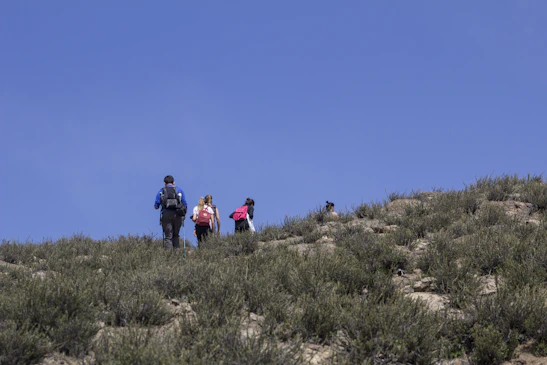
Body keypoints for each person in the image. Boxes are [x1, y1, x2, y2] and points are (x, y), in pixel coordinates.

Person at [154, 175, 188, 249]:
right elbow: (185, 204)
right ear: (173, 182)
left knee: (168, 236)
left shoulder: (161, 191)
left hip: (166, 214)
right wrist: (184, 214)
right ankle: (177, 255)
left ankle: (169, 256)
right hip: (178, 214)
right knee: (176, 235)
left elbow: (156, 206)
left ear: (164, 183)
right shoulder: (179, 190)